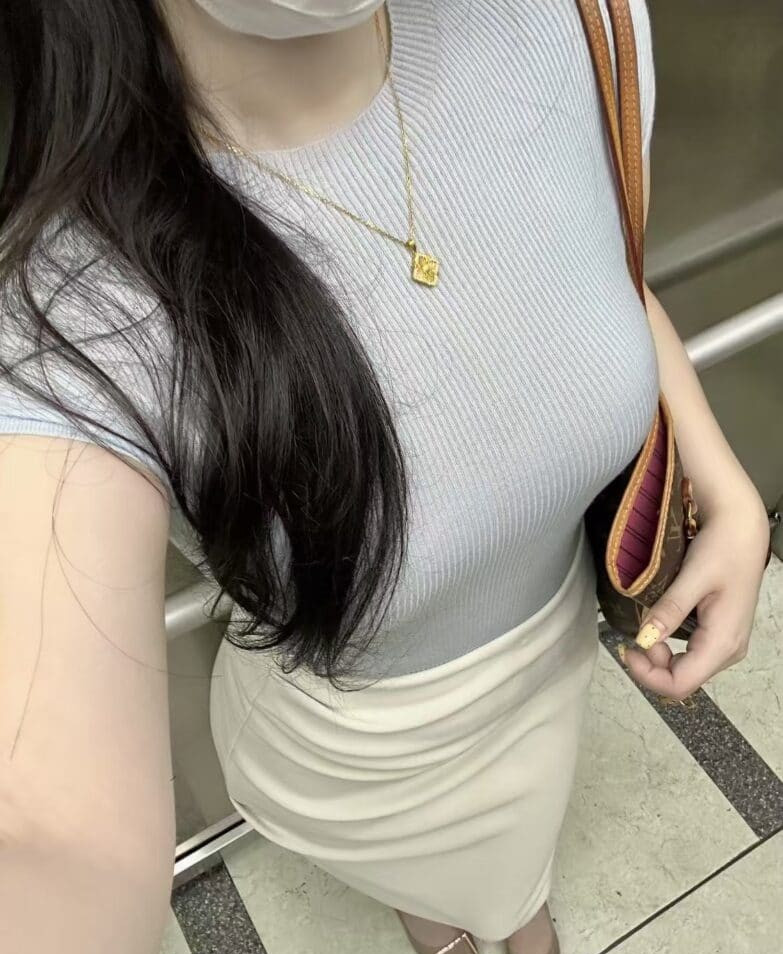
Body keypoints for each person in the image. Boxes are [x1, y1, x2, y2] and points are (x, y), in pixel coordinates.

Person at [0, 2, 771, 953]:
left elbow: (605, 268)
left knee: (510, 868)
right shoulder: (62, 314)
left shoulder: (566, 21)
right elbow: (49, 839)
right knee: (458, 890)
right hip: (364, 765)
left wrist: (721, 479)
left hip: (560, 645)